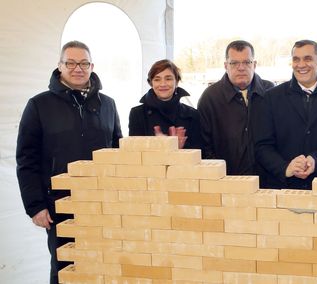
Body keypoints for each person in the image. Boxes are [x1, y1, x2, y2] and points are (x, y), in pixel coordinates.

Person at [16, 40, 122, 284]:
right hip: (59, 204)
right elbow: (26, 158)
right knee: (65, 268)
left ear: (92, 66)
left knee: (102, 264)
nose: (78, 68)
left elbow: (116, 150)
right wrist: (35, 205)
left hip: (100, 203)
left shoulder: (107, 104)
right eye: (71, 63)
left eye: (84, 63)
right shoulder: (39, 105)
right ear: (60, 66)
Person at [253, 40, 317, 189]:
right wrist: (285, 167)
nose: (301, 65)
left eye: (307, 59)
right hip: (284, 186)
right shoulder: (272, 97)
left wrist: (316, 160)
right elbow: (262, 146)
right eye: (296, 59)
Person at [197, 40, 274, 175]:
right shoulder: (210, 98)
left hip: (268, 180)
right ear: (226, 65)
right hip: (228, 180)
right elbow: (204, 145)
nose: (241, 68)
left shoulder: (270, 92)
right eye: (234, 63)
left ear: (254, 65)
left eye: (246, 62)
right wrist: (219, 174)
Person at [129, 59, 201, 149]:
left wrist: (178, 149)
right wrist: (157, 146)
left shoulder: (192, 115)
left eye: (168, 79)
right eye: (157, 79)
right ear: (151, 83)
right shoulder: (137, 114)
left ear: (177, 82)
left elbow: (200, 154)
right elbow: (134, 153)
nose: (163, 84)